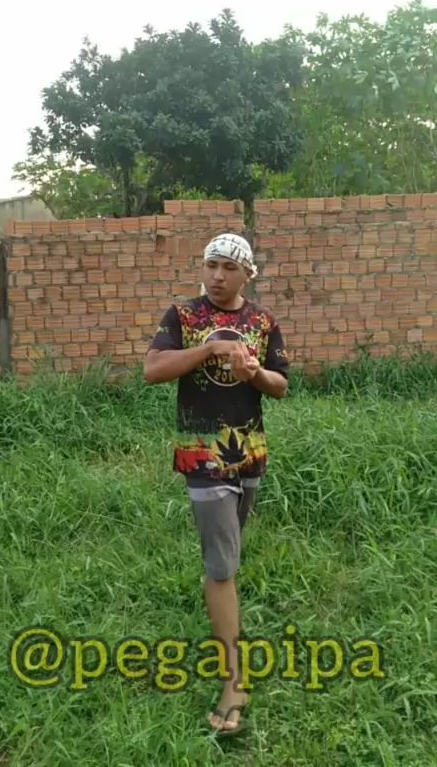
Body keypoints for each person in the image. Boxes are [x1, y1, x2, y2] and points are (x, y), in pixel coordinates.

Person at [144, 232, 289, 734]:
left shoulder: (263, 322)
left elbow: (280, 385)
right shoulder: (183, 317)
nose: (217, 276)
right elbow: (153, 369)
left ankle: (218, 594)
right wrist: (210, 351)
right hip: (202, 454)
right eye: (211, 265)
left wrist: (253, 373)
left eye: (229, 268)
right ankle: (234, 680)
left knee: (226, 554)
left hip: (249, 455)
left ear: (247, 274)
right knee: (222, 566)